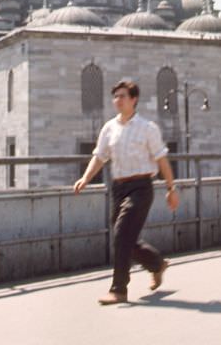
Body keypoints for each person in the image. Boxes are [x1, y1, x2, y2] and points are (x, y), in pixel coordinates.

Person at [74, 79, 180, 305]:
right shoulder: (109, 128)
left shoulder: (147, 128)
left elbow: (162, 160)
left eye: (122, 96)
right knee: (125, 238)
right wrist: (85, 178)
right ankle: (156, 264)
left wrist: (171, 189)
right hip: (119, 188)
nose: (117, 101)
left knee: (122, 234)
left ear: (134, 100)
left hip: (141, 187)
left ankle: (119, 289)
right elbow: (99, 157)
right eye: (115, 97)